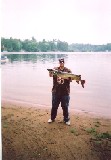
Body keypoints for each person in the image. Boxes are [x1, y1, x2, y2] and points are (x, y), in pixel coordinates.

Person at [48, 58, 72, 125]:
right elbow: (50, 75)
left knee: (65, 106)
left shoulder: (68, 70)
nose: (61, 63)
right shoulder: (55, 69)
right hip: (56, 91)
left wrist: (65, 77)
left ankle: (66, 119)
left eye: (62, 62)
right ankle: (52, 118)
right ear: (59, 62)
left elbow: (71, 79)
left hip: (65, 92)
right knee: (54, 106)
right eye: (60, 62)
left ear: (64, 62)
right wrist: (50, 72)